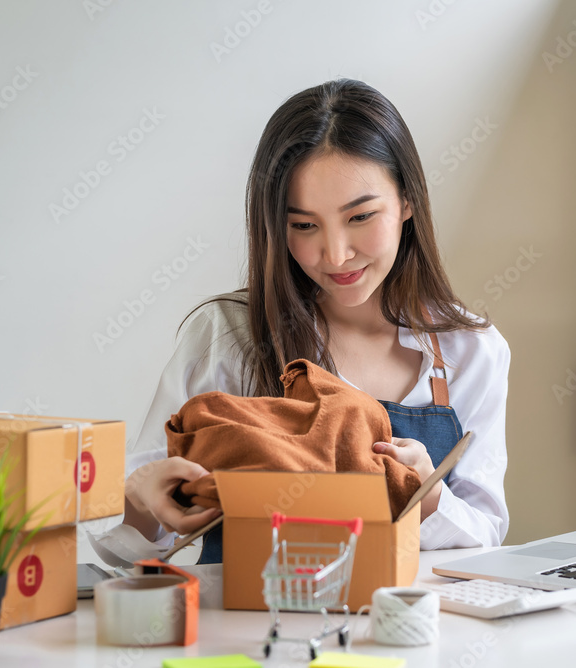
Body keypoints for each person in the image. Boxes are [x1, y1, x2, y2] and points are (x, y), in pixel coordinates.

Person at [123, 78, 510, 558]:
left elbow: (487, 531)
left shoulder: (470, 350)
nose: (336, 254)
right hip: (249, 628)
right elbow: (134, 537)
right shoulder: (229, 335)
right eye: (304, 226)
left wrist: (428, 500)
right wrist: (142, 495)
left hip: (403, 629)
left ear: (407, 201)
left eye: (360, 217)